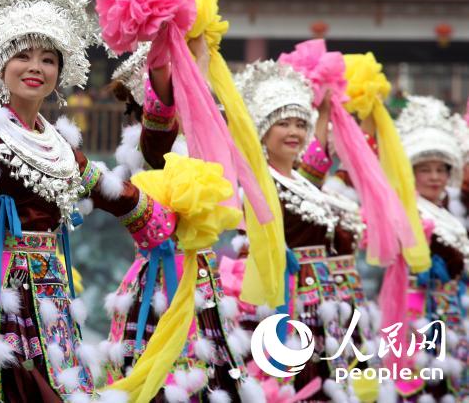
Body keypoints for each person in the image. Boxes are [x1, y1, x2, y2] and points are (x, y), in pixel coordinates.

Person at [0, 0, 179, 401]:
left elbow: (110, 191)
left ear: (59, 74)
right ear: (1, 63)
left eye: (48, 59)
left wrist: (164, 222)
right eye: (23, 55)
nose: (36, 67)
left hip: (51, 291)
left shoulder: (60, 145)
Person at [102, 42, 257, 401]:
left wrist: (198, 60)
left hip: (201, 278)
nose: (204, 107)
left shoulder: (194, 146)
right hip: (164, 282)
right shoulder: (157, 146)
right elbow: (167, 108)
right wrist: (163, 57)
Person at [236, 60, 366, 401]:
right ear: (263, 131)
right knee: (292, 380)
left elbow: (317, 160)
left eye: (299, 123)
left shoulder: (304, 184)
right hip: (285, 296)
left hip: (320, 297)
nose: (293, 131)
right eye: (283, 124)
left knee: (324, 380)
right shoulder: (258, 181)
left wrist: (323, 112)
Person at [395, 96, 469, 400]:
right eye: (426, 169)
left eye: (441, 169)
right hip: (415, 313)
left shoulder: (450, 214)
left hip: (451, 312)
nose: (435, 177)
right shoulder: (404, 212)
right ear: (411, 172)